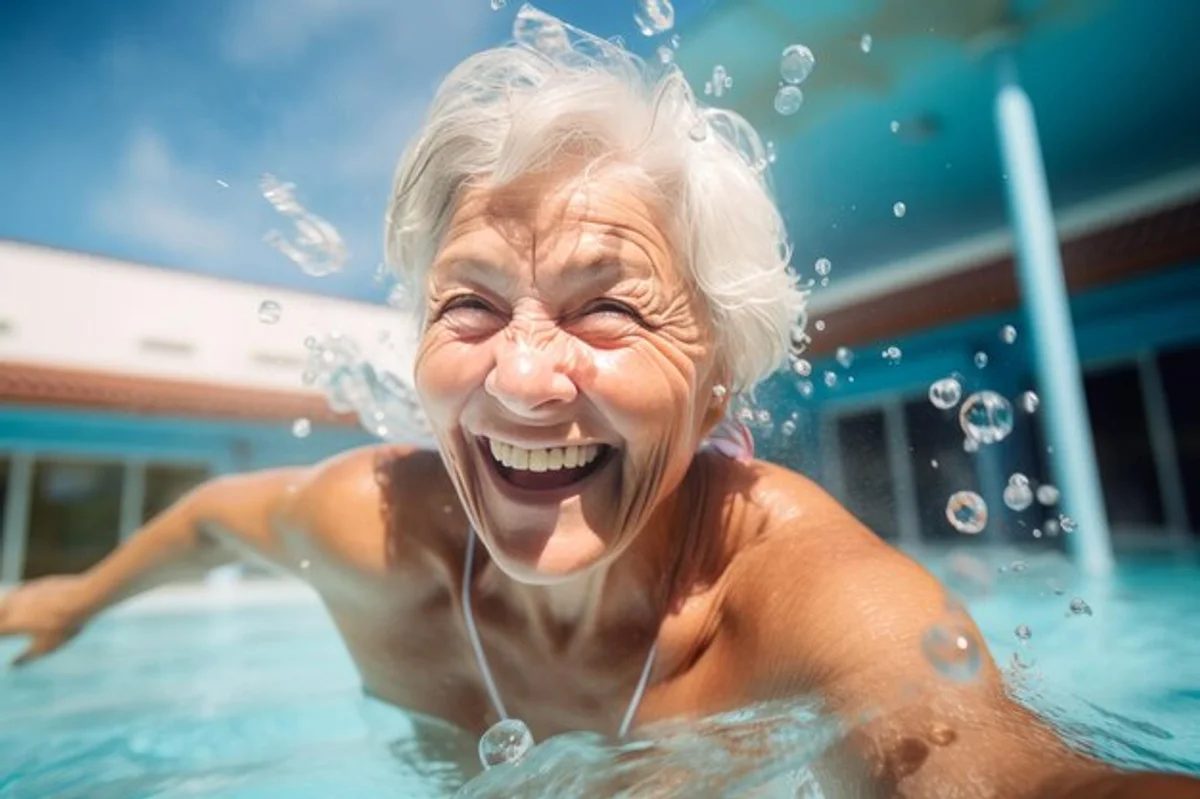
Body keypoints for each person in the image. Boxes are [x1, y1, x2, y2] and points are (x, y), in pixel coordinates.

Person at [1, 14, 1197, 798]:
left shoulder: (793, 597)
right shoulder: (374, 529)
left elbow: (1008, 771)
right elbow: (212, 515)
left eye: (607, 311)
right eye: (468, 306)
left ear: (719, 373)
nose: (521, 380)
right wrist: (75, 594)